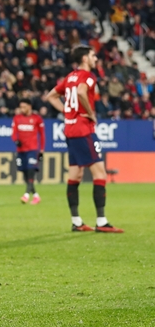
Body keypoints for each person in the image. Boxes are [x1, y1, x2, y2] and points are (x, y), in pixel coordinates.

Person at [45, 46, 123, 233]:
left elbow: (51, 96)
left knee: (75, 176)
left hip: (70, 129)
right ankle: (102, 222)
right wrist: (89, 113)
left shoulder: (70, 77)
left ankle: (76, 221)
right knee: (100, 175)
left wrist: (67, 112)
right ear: (85, 59)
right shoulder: (88, 76)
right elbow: (81, 92)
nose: (96, 58)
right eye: (93, 55)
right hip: (83, 129)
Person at [12, 98, 45, 205]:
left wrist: (41, 150)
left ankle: (26, 195)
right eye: (21, 107)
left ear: (30, 106)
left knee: (31, 172)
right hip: (21, 150)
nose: (22, 109)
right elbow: (13, 133)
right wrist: (16, 140)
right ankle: (36, 196)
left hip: (32, 149)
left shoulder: (37, 118)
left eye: (24, 107)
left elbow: (42, 135)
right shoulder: (17, 118)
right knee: (25, 173)